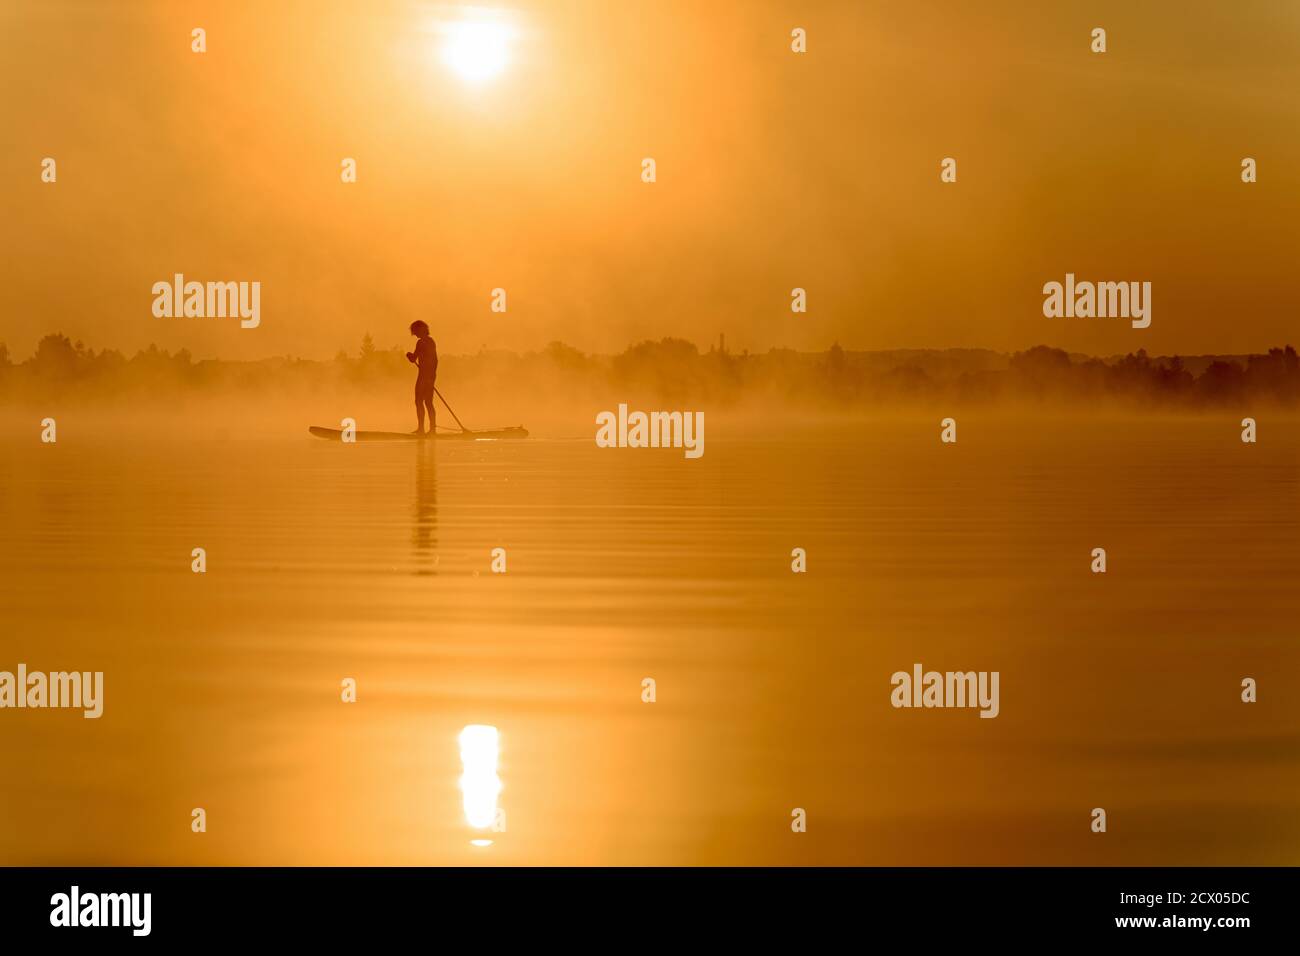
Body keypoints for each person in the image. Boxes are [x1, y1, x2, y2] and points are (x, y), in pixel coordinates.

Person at [405, 320, 438, 436]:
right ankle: (422, 429)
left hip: (427, 375)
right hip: (424, 375)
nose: (415, 335)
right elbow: (415, 358)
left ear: (421, 330)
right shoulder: (423, 342)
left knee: (426, 402)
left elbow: (434, 361)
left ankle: (431, 429)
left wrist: (430, 377)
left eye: (416, 332)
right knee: (420, 401)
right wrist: (410, 356)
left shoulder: (427, 342)